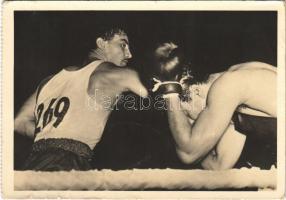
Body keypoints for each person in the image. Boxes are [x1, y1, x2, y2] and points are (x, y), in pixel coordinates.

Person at [14, 27, 148, 171]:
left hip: (33, 162)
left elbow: (19, 122)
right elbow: (149, 97)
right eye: (123, 44)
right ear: (101, 43)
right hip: (68, 162)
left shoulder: (48, 81)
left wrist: (53, 136)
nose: (129, 54)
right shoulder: (115, 73)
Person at [151, 42, 277, 170]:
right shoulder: (231, 99)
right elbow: (217, 166)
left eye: (187, 114)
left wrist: (170, 94)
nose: (194, 122)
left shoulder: (229, 84)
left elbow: (188, 153)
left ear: (195, 91)